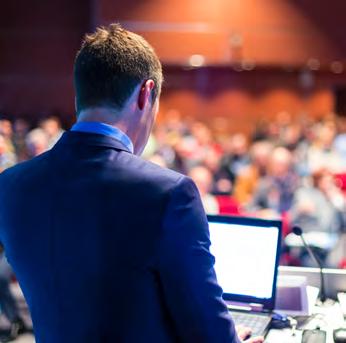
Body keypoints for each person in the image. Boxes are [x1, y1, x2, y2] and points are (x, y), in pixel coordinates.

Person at [0, 24, 263, 343]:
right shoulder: (168, 193)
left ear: (79, 94)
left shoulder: (11, 186)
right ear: (146, 93)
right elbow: (210, 334)